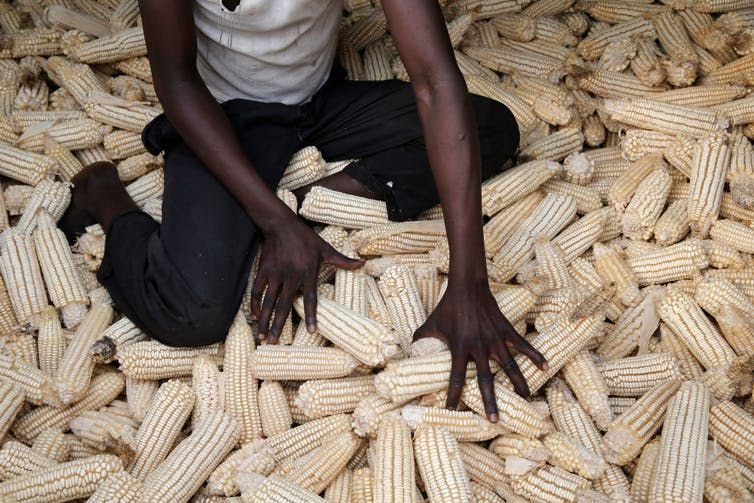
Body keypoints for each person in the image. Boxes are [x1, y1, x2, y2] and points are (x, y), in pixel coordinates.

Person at [62, 0, 547, 422]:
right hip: (226, 116)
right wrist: (275, 222)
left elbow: (436, 82)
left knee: (490, 129)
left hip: (322, 101)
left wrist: (469, 282)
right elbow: (178, 83)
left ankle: (307, 200)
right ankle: (106, 195)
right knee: (191, 313)